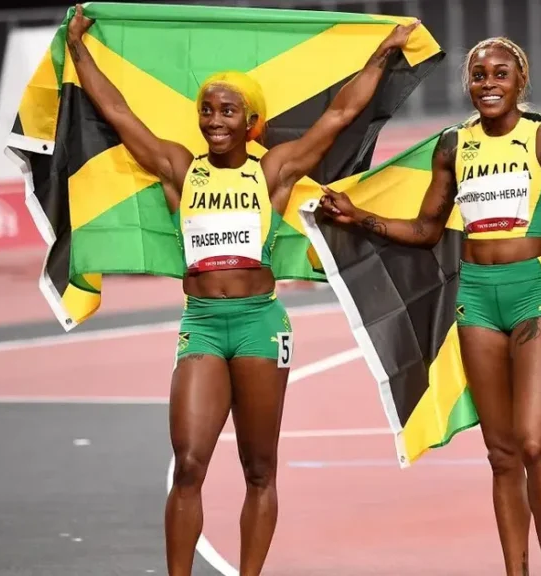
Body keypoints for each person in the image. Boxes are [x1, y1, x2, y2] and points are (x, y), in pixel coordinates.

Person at [64, 5, 419, 575]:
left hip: (260, 324)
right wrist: (79, 49)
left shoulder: (272, 170)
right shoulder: (179, 168)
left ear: (251, 121)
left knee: (259, 469)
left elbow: (340, 115)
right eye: (206, 109)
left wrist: (381, 55)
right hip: (202, 323)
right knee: (188, 464)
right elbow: (117, 112)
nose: (214, 119)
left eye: (228, 110)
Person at [318, 36, 541, 576]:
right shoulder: (453, 147)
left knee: (532, 444)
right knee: (501, 454)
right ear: (468, 85)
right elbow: (428, 230)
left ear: (520, 82)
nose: (488, 84)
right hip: (476, 298)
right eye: (479, 75)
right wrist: (358, 215)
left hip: (534, 293)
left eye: (500, 74)